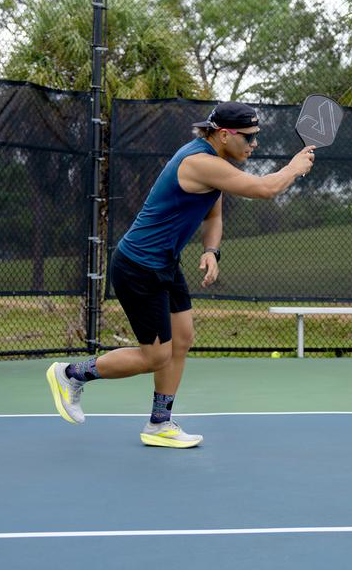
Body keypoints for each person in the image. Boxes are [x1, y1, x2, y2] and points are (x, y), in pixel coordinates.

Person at [45, 101, 315, 448]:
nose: (254, 145)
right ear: (224, 134)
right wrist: (293, 167)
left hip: (164, 264)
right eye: (248, 137)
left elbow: (213, 216)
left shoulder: (215, 163)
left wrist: (210, 251)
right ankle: (70, 374)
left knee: (182, 338)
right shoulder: (199, 162)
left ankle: (159, 423)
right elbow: (265, 189)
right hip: (139, 266)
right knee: (155, 355)